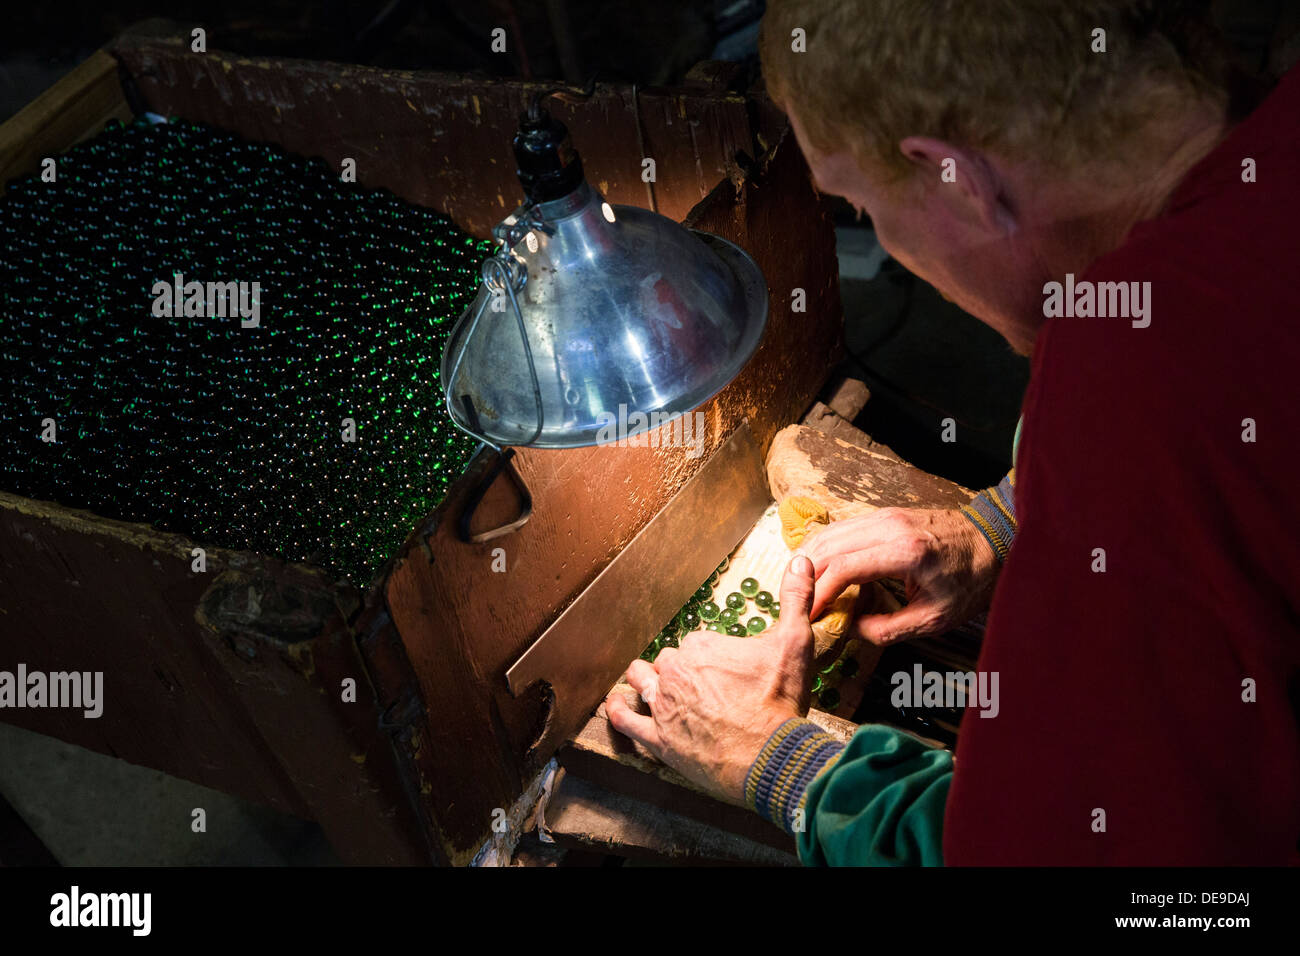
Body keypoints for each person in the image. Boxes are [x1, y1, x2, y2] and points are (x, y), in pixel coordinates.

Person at [606, 0, 1300, 865]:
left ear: (954, 180)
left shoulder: (1133, 378)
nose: (893, 254)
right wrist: (1002, 525)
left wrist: (782, 765)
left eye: (859, 204)